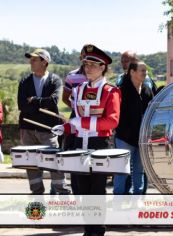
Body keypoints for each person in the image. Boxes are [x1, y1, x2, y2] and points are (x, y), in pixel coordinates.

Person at [52, 44, 121, 236]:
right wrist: (65, 127)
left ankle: (97, 230)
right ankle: (87, 229)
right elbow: (75, 121)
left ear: (102, 67)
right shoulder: (79, 90)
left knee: (96, 191)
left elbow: (112, 121)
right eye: (85, 64)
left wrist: (82, 122)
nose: (87, 68)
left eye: (92, 64)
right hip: (78, 145)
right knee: (80, 190)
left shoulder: (110, 91)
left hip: (99, 146)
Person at [17, 48, 70, 195]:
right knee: (31, 163)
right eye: (31, 59)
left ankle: (62, 191)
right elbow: (22, 105)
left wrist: (33, 100)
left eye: (34, 59)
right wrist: (41, 105)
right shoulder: (24, 81)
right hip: (27, 129)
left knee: (54, 160)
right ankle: (37, 193)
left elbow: (53, 102)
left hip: (48, 129)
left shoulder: (55, 80)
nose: (31, 62)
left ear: (44, 62)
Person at [113, 61, 154, 195]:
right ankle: (118, 200)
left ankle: (138, 200)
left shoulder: (147, 90)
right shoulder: (121, 90)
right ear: (132, 72)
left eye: (145, 70)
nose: (145, 73)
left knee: (139, 171)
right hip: (124, 138)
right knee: (121, 171)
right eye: (142, 70)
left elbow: (151, 112)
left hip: (141, 139)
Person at [61, 45, 88, 194]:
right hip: (76, 121)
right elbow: (65, 98)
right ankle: (76, 192)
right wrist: (76, 108)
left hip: (94, 124)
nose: (86, 59)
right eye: (84, 55)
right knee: (73, 155)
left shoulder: (98, 77)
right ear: (80, 57)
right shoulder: (72, 76)